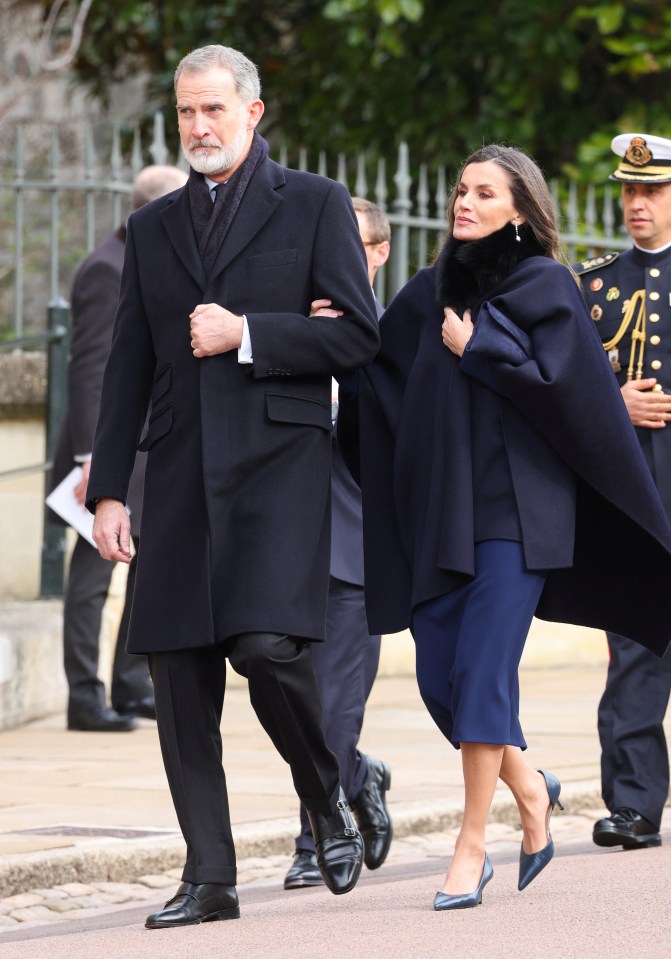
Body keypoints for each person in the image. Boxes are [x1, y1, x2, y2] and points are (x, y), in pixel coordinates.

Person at [86, 44, 380, 929]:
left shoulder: (318, 205)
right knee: (177, 671)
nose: (200, 127)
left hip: (277, 469)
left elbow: (357, 337)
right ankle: (209, 875)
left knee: (264, 647)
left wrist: (249, 332)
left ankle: (329, 790)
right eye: (186, 113)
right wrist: (107, 490)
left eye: (214, 109)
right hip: (176, 473)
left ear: (255, 112)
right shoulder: (153, 228)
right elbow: (128, 365)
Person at [337, 143, 671, 911]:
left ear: (519, 208)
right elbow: (374, 376)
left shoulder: (547, 284)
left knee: (484, 672)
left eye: (483, 192)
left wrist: (479, 347)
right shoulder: (427, 293)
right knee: (437, 678)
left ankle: (469, 847)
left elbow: (569, 392)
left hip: (519, 517)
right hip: (441, 515)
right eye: (459, 189)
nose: (464, 202)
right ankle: (529, 785)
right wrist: (329, 325)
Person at [50, 164, 188, 732]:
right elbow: (89, 372)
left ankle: (131, 686)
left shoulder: (149, 259)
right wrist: (89, 459)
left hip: (147, 450)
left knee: (144, 569)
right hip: (103, 456)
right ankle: (85, 697)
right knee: (90, 578)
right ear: (150, 210)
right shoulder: (105, 269)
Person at [284, 198, 392, 890]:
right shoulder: (290, 328)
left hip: (354, 546)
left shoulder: (391, 337)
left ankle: (313, 836)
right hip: (282, 546)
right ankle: (359, 774)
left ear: (378, 253)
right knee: (286, 698)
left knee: (331, 703)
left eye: (349, 244)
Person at [575, 133, 671, 851]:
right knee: (635, 644)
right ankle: (633, 803)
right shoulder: (595, 284)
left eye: (653, 191)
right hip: (633, 487)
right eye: (629, 191)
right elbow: (567, 388)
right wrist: (617, 402)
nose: (637, 203)